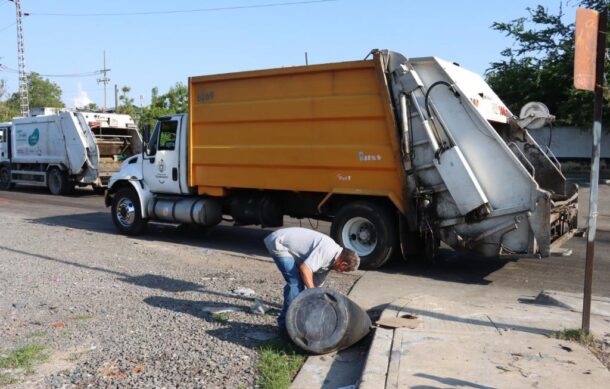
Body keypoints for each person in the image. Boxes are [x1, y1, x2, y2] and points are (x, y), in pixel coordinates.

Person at [264, 227, 360, 333]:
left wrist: (319, 304)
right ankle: (285, 326)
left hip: (288, 246)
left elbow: (317, 287)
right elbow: (305, 269)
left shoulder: (330, 262)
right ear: (343, 263)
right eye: (343, 270)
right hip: (279, 243)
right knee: (295, 283)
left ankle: (295, 315)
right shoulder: (328, 250)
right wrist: (311, 290)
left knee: (301, 285)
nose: (341, 272)